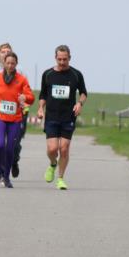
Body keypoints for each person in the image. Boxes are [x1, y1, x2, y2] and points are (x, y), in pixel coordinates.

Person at [36, 45, 88, 191]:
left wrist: (79, 103)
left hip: (68, 117)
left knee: (64, 149)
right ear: (55, 58)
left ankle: (60, 179)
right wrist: (40, 108)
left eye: (65, 59)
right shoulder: (48, 74)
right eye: (59, 59)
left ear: (69, 58)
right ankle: (53, 163)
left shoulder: (76, 75)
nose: (62, 62)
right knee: (52, 149)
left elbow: (83, 93)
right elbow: (43, 95)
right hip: (51, 116)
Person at [0, 52, 33, 188]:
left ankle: (6, 176)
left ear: (16, 64)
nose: (10, 65)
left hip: (15, 119)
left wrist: (25, 98)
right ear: (3, 63)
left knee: (10, 148)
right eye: (8, 63)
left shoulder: (21, 79)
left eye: (13, 63)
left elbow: (31, 97)